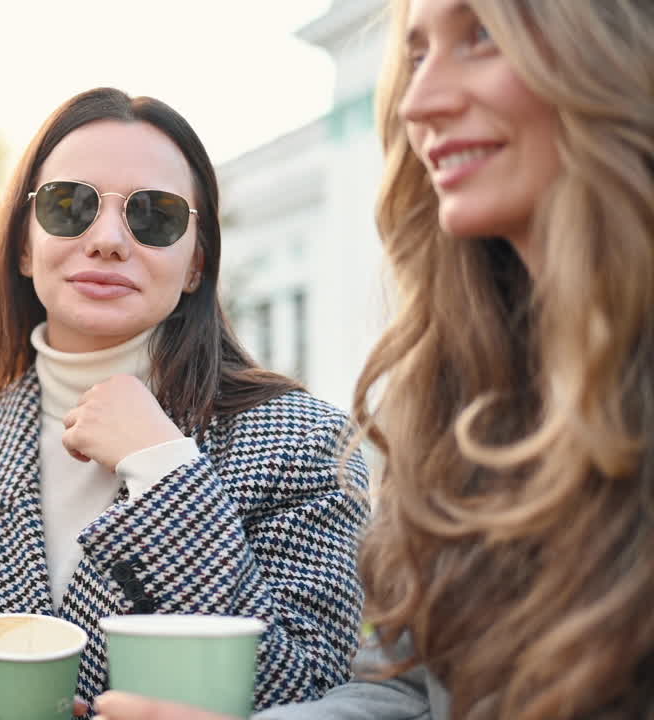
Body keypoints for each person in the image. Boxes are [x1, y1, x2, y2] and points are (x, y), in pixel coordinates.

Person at [90, 0, 654, 718]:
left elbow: (304, 672)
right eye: (415, 56)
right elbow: (410, 685)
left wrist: (164, 473)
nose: (420, 100)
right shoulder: (462, 401)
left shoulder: (307, 442)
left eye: (482, 35)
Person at [0, 87, 371, 720]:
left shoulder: (307, 445)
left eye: (155, 215)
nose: (109, 238)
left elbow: (308, 693)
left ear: (197, 260)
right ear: (25, 245)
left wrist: (167, 473)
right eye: (69, 206)